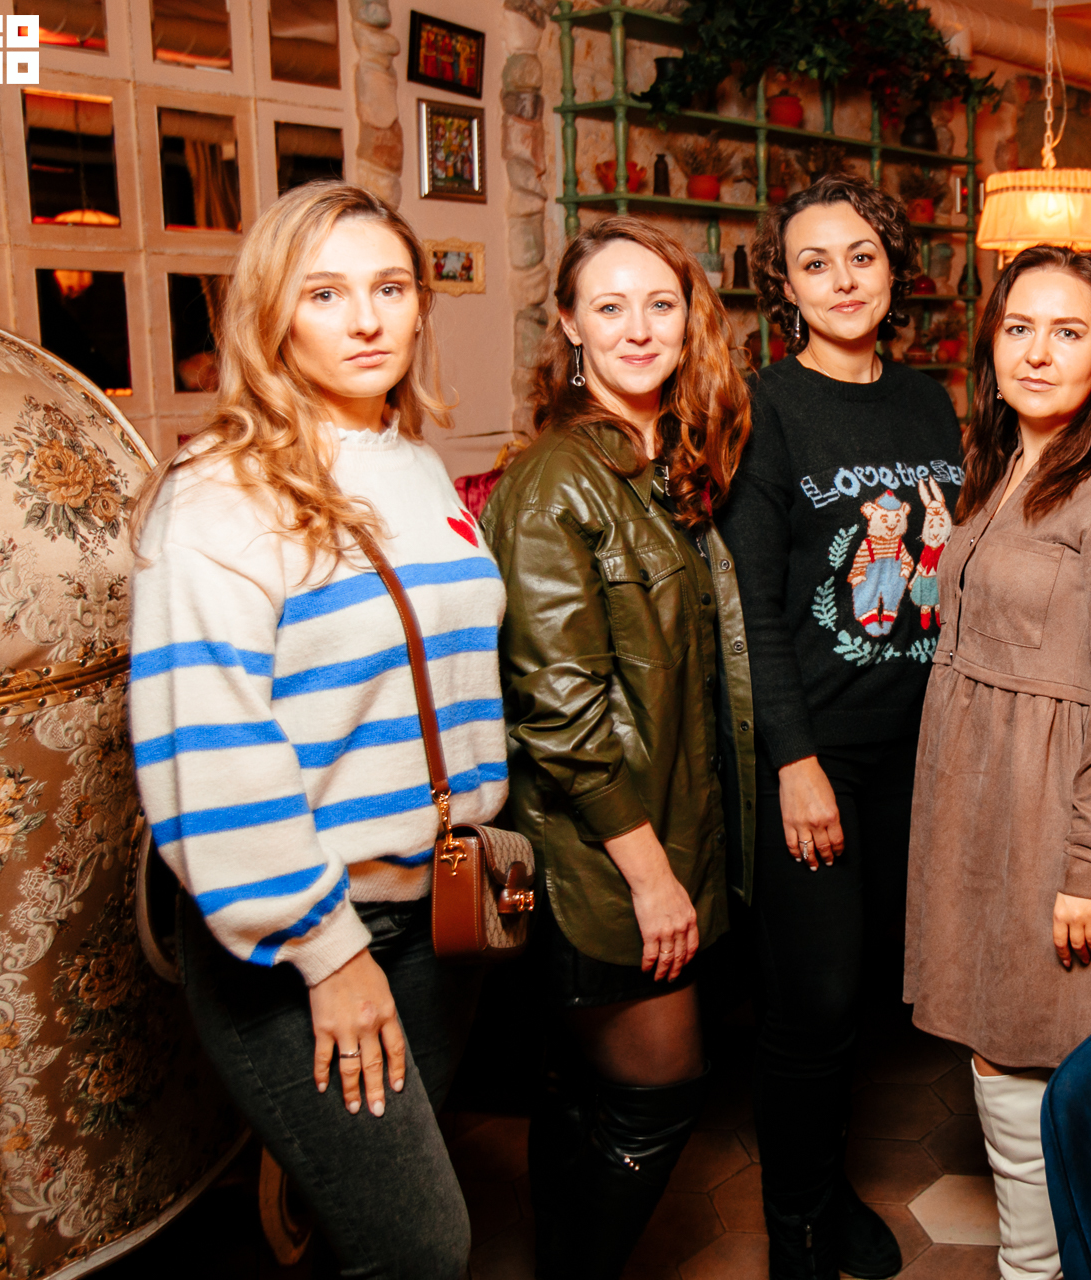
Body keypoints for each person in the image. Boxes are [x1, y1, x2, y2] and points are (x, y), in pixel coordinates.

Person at [129, 181, 505, 1279]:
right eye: (326, 292)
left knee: (359, 1223)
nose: (367, 319)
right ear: (271, 314)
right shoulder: (219, 496)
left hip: (436, 912)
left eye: (391, 287)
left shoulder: (413, 462)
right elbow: (209, 753)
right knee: (422, 1248)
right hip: (304, 937)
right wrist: (329, 951)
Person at [482, 217, 755, 1278]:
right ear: (569, 325)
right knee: (658, 1090)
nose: (639, 329)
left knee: (583, 1091)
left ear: (689, 319)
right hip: (603, 858)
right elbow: (561, 714)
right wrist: (651, 878)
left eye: (660, 305)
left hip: (662, 833)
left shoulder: (662, 462)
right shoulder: (558, 479)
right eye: (609, 307)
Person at [905, 245, 1091, 1280]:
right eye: (1020, 328)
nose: (1038, 352)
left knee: (1034, 1045)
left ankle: (1041, 1267)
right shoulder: (994, 464)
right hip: (975, 792)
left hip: (1048, 805)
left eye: (1068, 332)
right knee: (996, 1041)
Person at [718, 175, 963, 1278]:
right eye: (814, 263)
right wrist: (796, 760)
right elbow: (755, 608)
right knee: (811, 995)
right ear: (785, 285)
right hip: (818, 753)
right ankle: (798, 1225)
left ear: (894, 268)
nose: (843, 280)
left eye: (861, 255)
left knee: (864, 983)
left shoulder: (930, 403)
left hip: (919, 747)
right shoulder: (766, 405)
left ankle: (828, 1187)